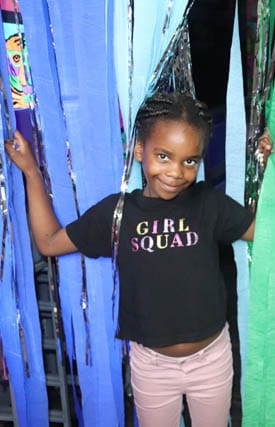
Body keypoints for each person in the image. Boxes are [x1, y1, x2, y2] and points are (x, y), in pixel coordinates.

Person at [4, 92, 256, 427]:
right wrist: (31, 173)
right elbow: (49, 242)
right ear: (139, 150)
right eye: (163, 156)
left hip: (211, 360)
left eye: (189, 161)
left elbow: (264, 231)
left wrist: (269, 167)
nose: (176, 172)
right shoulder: (118, 213)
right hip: (152, 367)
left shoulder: (210, 204)